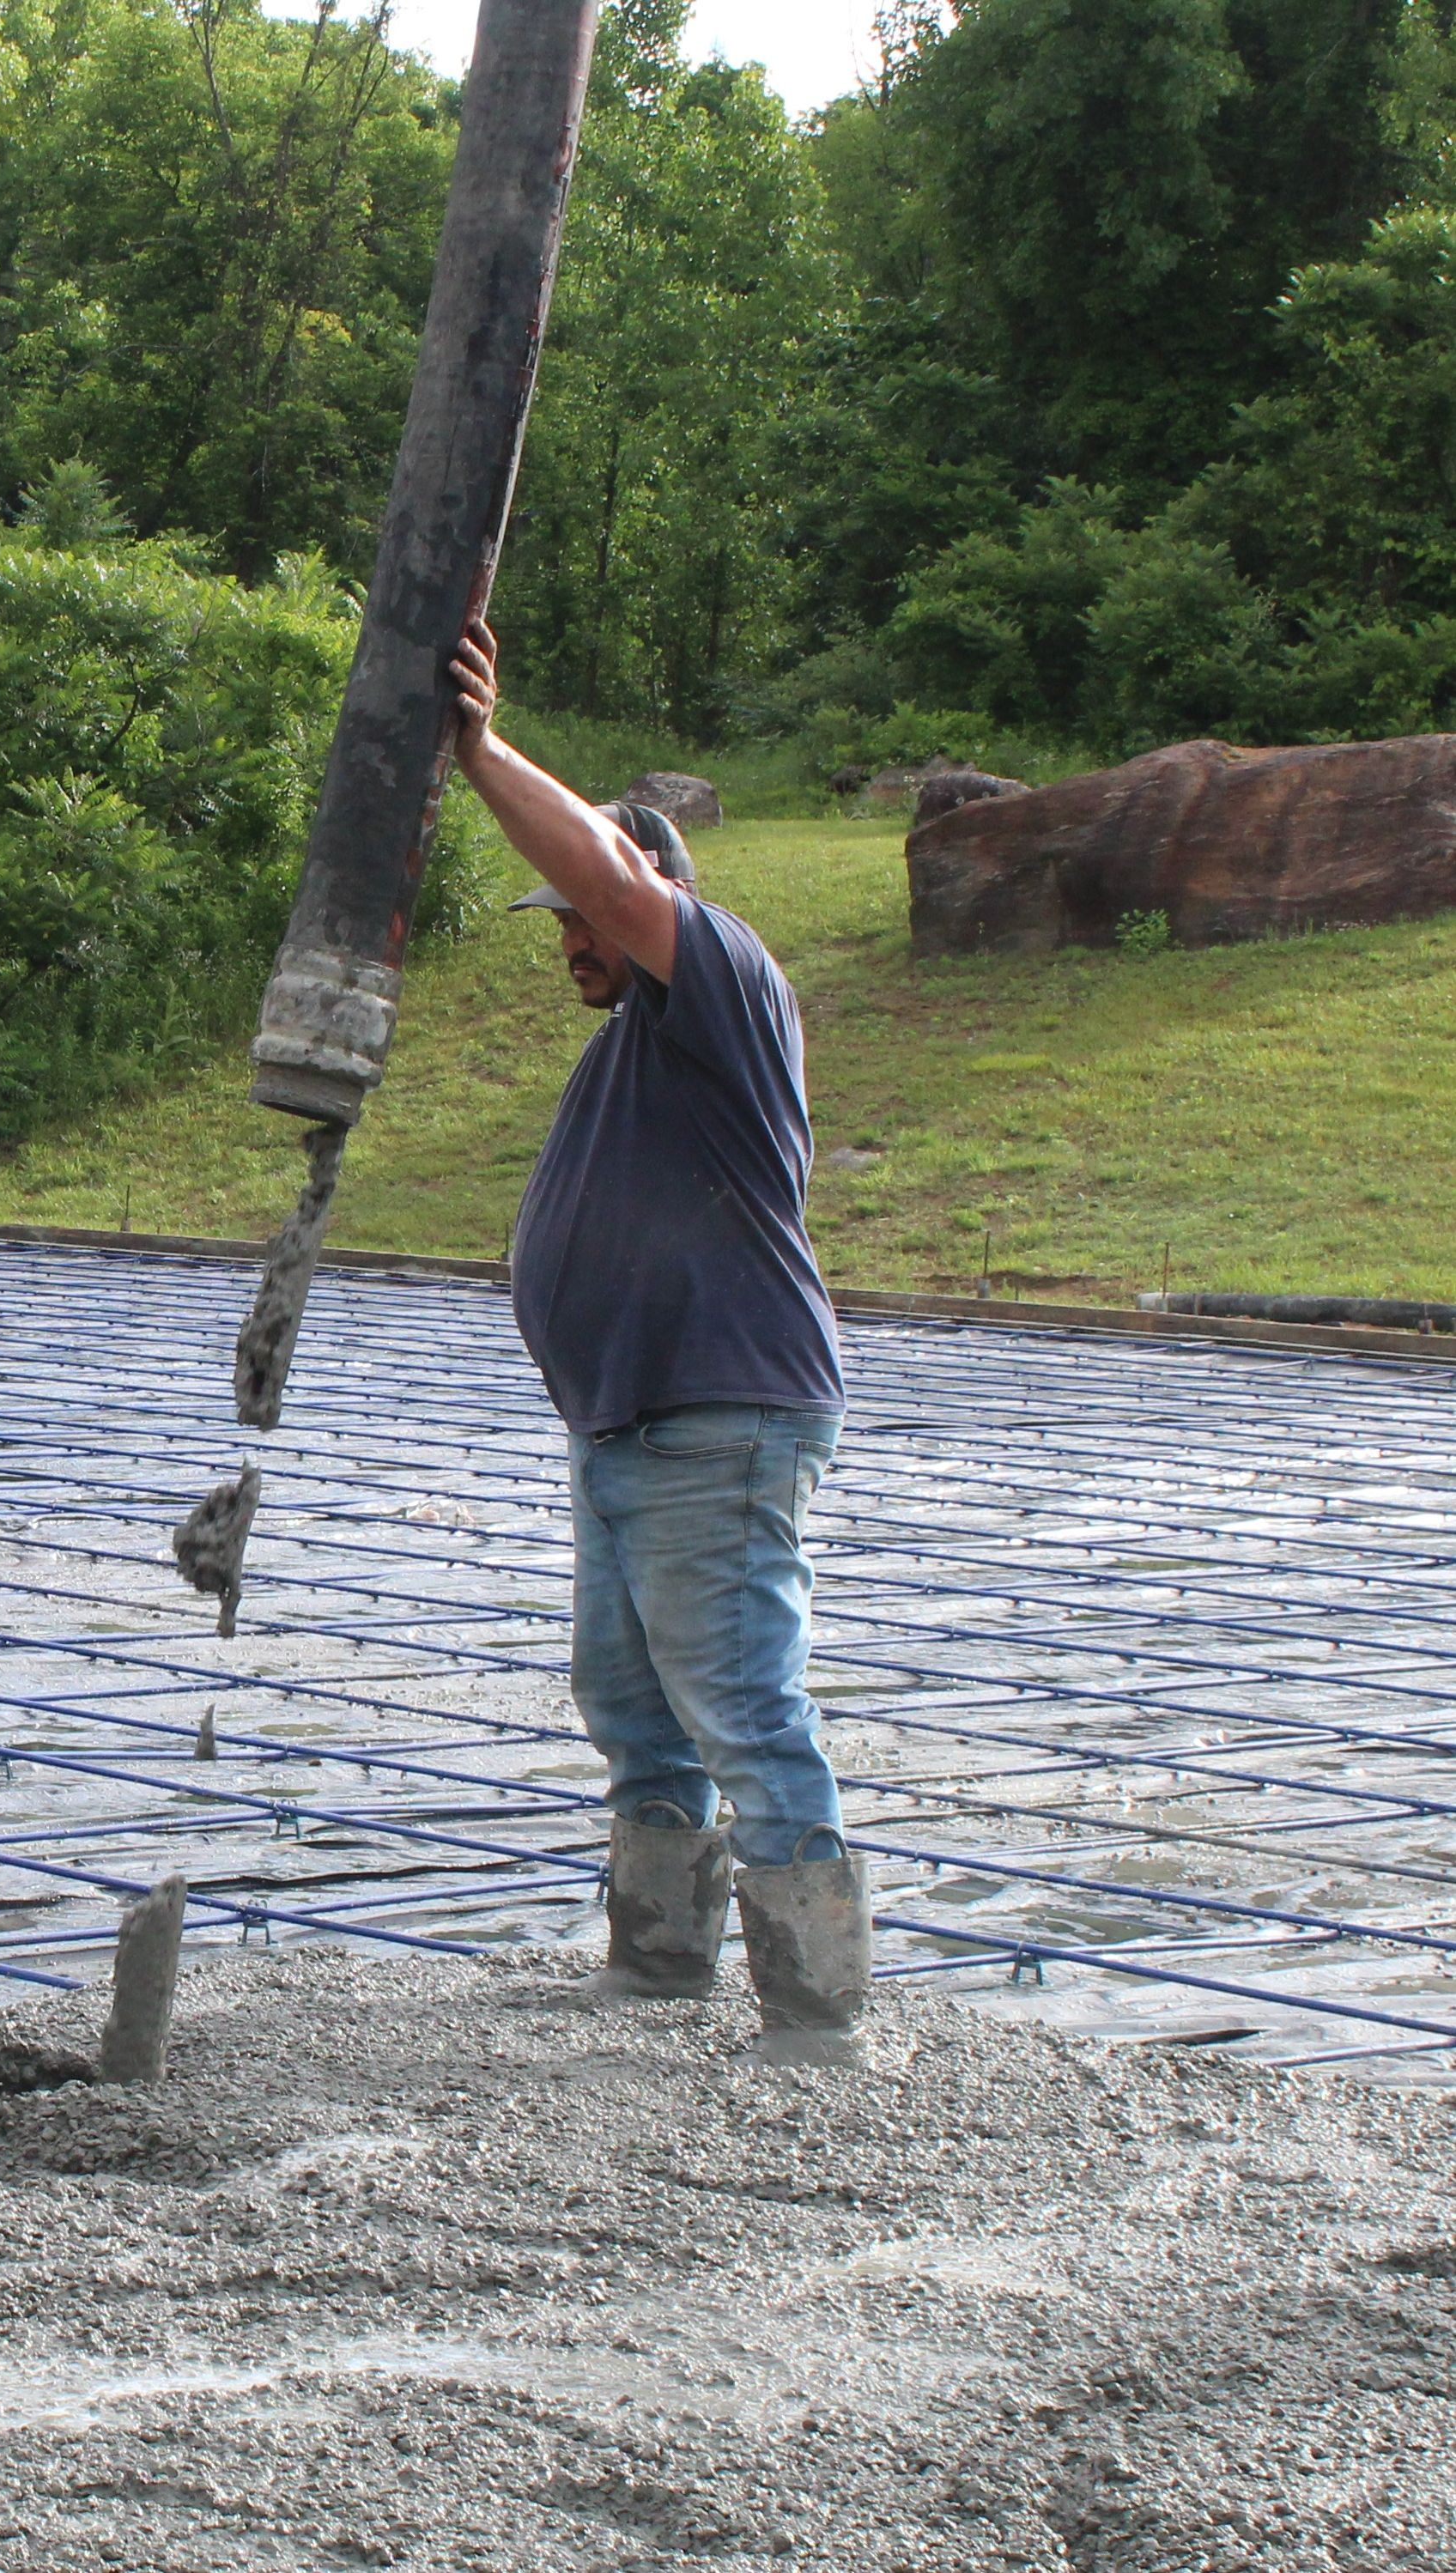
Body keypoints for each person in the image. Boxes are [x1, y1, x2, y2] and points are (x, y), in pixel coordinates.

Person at [446, 618, 866, 2068]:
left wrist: (481, 751)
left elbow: (615, 877)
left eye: (580, 916)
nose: (567, 939)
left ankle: (815, 2017)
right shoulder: (629, 1045)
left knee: (741, 1697)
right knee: (634, 1701)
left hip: (719, 1411)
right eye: (557, 922)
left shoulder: (726, 989)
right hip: (631, 1425)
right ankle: (657, 1964)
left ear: (654, 902)